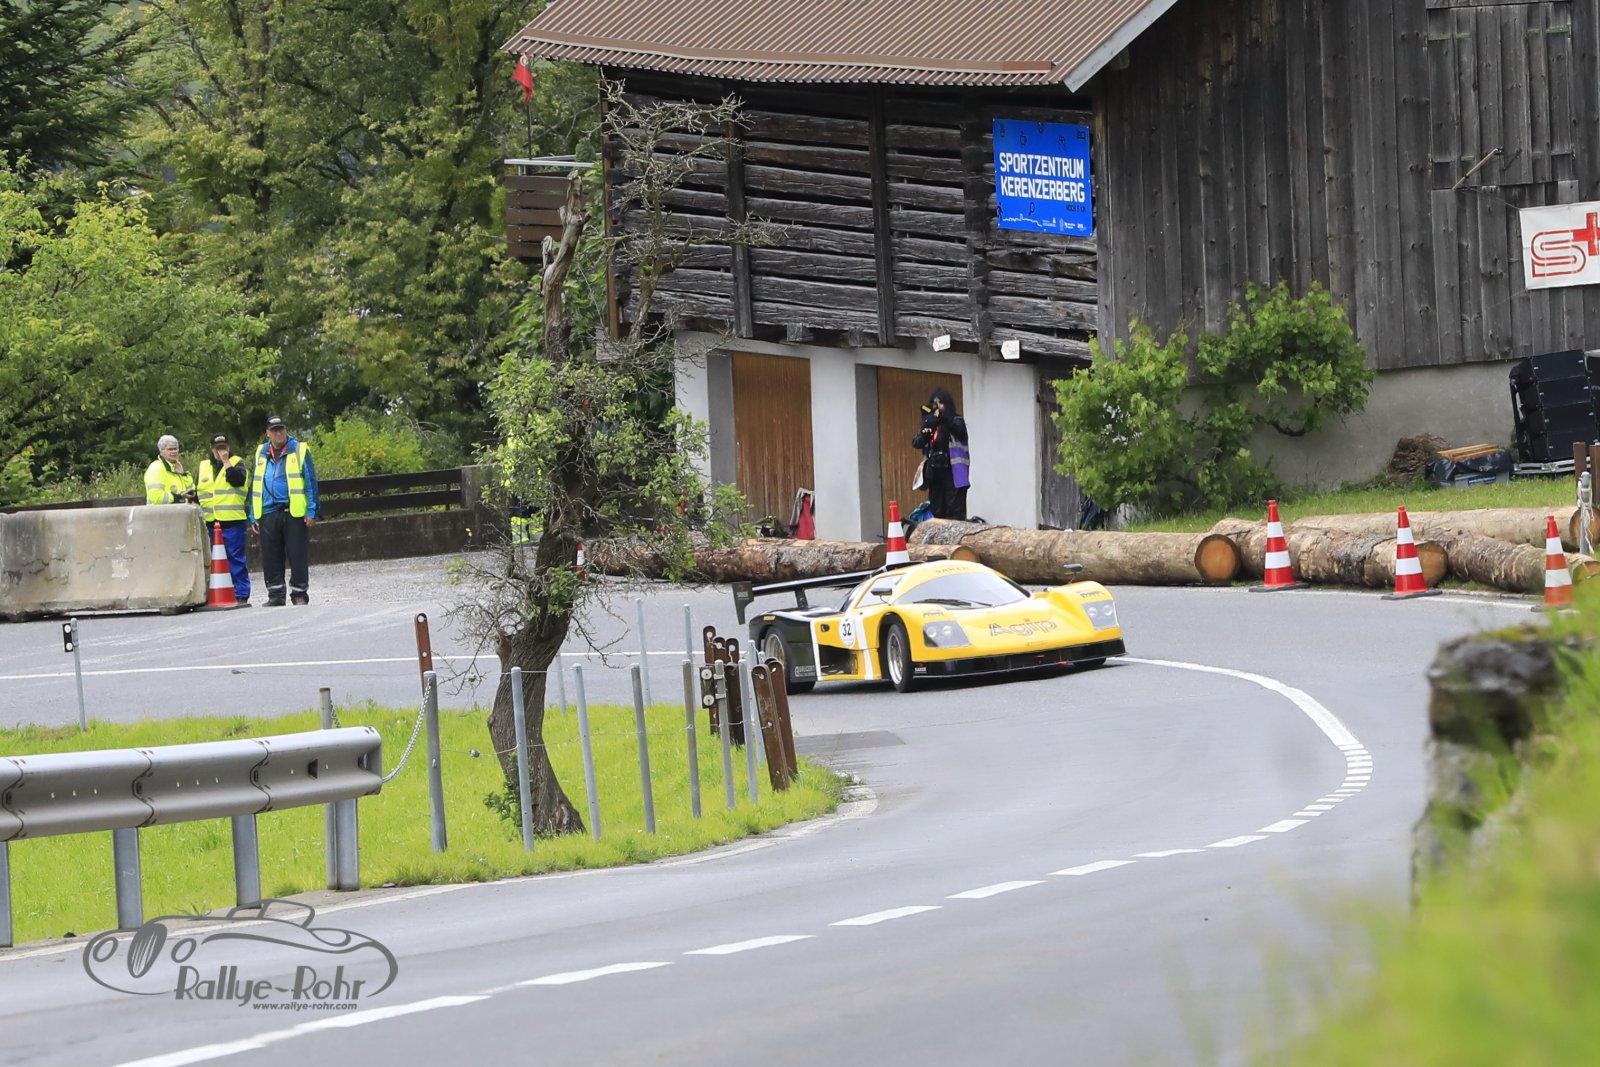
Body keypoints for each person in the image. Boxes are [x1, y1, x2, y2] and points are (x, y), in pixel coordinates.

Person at [250, 415, 319, 606]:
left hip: (293, 511)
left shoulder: (299, 450)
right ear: (268, 433)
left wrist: (311, 511)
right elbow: (255, 484)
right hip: (268, 511)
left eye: (281, 429)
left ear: (286, 430)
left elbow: (310, 482)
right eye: (274, 430)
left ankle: (299, 594)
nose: (278, 433)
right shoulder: (261, 452)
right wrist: (253, 514)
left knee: (297, 554)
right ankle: (275, 595)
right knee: (271, 555)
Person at [197, 432, 253, 605]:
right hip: (210, 522)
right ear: (211, 449)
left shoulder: (237, 463)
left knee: (235, 559)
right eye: (217, 449)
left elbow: (238, 480)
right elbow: (198, 491)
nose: (221, 452)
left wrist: (226, 462)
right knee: (210, 561)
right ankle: (213, 594)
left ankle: (241, 593)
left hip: (231, 521)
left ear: (229, 447)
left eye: (224, 448)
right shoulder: (203, 466)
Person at [911, 387, 970, 520]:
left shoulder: (956, 420)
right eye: (934, 403)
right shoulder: (930, 423)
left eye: (940, 402)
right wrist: (925, 432)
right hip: (935, 472)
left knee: (955, 513)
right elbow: (916, 443)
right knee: (937, 511)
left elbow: (960, 432)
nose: (937, 406)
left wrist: (942, 417)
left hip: (954, 473)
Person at [144, 435, 197, 505]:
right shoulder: (156, 468)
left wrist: (183, 474)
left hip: (179, 511)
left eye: (175, 449)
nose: (174, 451)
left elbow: (192, 491)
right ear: (161, 451)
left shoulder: (176, 467)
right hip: (161, 512)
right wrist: (178, 497)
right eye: (170, 449)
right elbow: (156, 498)